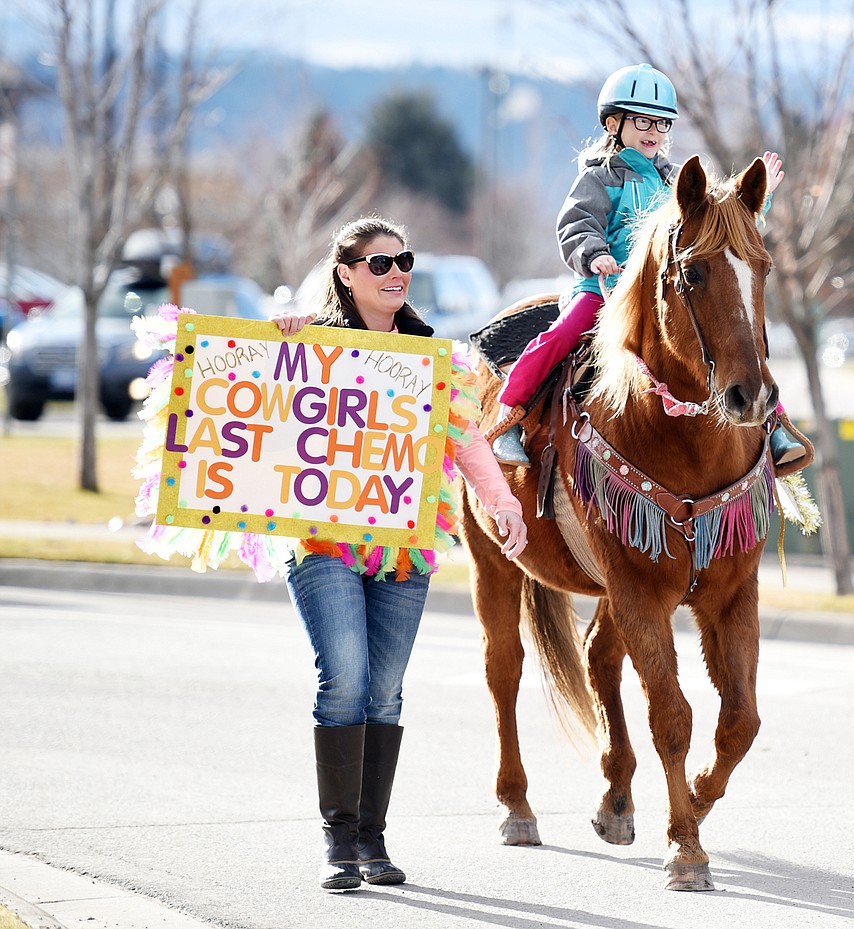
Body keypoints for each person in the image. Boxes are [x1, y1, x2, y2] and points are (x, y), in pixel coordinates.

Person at [272, 215, 528, 892]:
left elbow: (467, 440)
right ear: (345, 274)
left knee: (384, 690)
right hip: (322, 543)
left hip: (403, 550)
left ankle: (371, 841)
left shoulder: (430, 355)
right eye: (378, 263)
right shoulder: (311, 344)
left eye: (402, 260)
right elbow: (261, 411)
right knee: (346, 678)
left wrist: (502, 503)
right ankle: (337, 842)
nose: (395, 273)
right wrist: (280, 346)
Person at [490, 62, 805, 469]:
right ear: (613, 123)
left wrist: (761, 202)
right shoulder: (600, 178)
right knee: (563, 334)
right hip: (606, 290)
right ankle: (510, 415)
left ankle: (773, 424)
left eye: (661, 124)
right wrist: (593, 253)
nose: (653, 132)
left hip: (664, 296)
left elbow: (717, 231)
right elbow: (575, 224)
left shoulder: (678, 181)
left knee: (737, 336)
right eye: (642, 122)